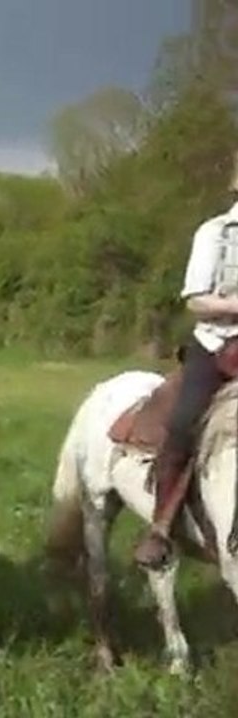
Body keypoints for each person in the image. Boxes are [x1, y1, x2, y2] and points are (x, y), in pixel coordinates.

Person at [134, 151, 238, 569]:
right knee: (182, 423)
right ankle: (160, 528)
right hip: (217, 346)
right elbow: (195, 300)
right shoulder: (216, 233)